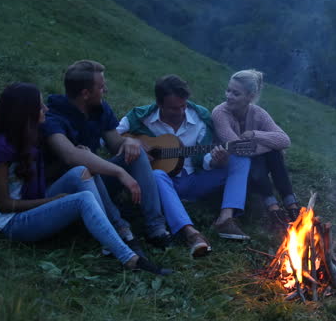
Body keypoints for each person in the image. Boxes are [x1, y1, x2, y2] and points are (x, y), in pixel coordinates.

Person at [0, 82, 170, 275]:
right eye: (39, 106)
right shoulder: (0, 147)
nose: (45, 108)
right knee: (82, 199)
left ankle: (122, 237)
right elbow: (4, 205)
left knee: (81, 170)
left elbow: (34, 178)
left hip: (32, 203)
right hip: (12, 223)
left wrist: (80, 160)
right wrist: (52, 201)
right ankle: (128, 258)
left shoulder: (28, 138)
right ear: (24, 111)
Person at [40, 60, 171, 248]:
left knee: (136, 152)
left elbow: (115, 143)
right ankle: (119, 228)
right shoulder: (53, 118)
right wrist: (120, 173)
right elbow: (70, 156)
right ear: (85, 94)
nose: (106, 90)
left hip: (96, 184)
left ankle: (156, 227)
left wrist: (129, 142)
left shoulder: (99, 109)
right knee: (83, 165)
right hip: (64, 192)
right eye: (101, 87)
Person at [117, 75, 252, 252]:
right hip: (161, 184)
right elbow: (109, 137)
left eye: (184, 105)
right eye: (174, 108)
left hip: (194, 179)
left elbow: (204, 157)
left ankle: (225, 219)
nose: (181, 111)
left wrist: (216, 160)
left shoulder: (200, 117)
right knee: (157, 174)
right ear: (159, 104)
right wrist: (128, 142)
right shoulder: (140, 117)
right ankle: (190, 233)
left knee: (240, 159)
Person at [212, 69, 298, 229]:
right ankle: (274, 208)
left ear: (250, 97)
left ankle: (291, 206)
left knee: (273, 153)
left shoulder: (258, 113)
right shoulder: (220, 113)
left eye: (236, 93)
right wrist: (268, 144)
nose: (228, 96)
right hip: (230, 171)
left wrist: (254, 134)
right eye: (228, 90)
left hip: (255, 172)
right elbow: (237, 148)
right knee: (263, 153)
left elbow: (284, 140)